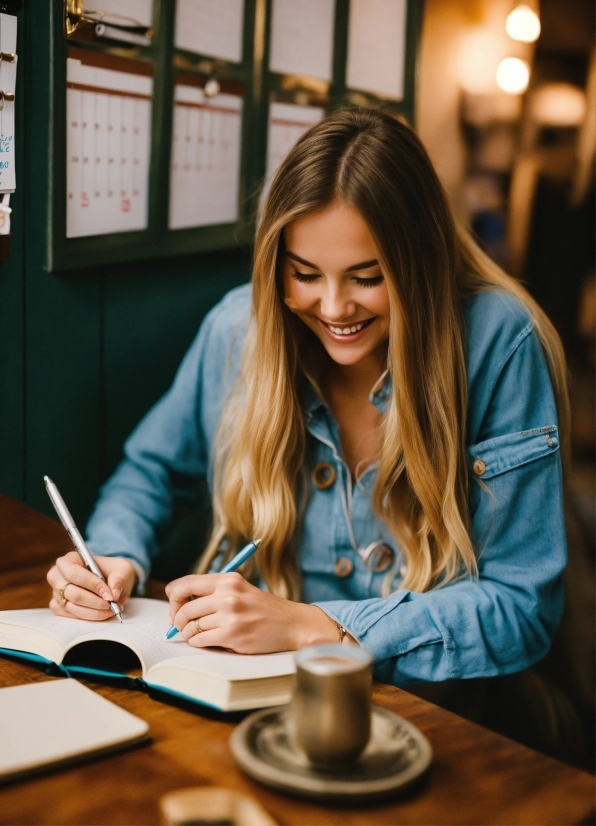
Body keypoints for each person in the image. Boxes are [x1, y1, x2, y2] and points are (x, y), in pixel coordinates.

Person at [46, 107, 569, 690]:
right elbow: (153, 470)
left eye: (368, 277)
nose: (334, 307)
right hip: (247, 691)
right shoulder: (236, 330)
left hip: (433, 709)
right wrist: (113, 558)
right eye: (305, 274)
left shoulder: (499, 342)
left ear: (420, 261)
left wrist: (315, 626)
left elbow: (522, 608)